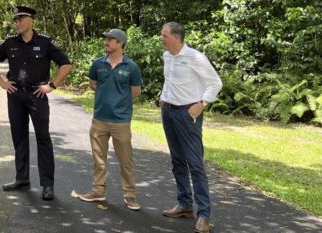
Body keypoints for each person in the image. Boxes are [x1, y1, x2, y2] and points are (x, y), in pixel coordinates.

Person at [0, 6, 73, 200]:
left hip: (37, 96)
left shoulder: (45, 42)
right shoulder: (10, 43)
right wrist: (1, 82)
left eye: (20, 19)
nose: (17, 23)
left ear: (31, 20)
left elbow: (66, 64)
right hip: (16, 94)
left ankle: (47, 184)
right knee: (19, 138)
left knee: (43, 138)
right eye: (15, 20)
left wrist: (52, 85)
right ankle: (22, 178)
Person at [158, 22, 222, 233]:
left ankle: (204, 215)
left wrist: (201, 104)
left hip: (188, 115)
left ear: (176, 37)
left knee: (195, 164)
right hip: (168, 112)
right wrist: (163, 96)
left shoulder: (195, 57)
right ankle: (184, 205)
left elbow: (215, 83)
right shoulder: (167, 56)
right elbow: (170, 80)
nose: (161, 38)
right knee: (177, 160)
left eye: (164, 35)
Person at [77, 29, 143, 211]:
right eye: (106, 39)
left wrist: (119, 103)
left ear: (120, 43)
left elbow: (135, 91)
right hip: (99, 119)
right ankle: (98, 191)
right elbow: (93, 84)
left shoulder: (132, 67)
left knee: (125, 161)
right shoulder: (97, 64)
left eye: (110, 39)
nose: (106, 42)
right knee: (98, 159)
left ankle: (130, 196)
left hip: (121, 121)